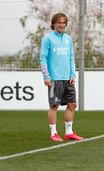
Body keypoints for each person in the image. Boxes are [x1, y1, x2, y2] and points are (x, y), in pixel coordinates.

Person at [40, 13, 84, 142]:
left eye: (64, 23)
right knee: (54, 106)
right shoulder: (47, 39)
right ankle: (54, 133)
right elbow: (43, 58)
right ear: (54, 24)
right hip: (54, 78)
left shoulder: (68, 39)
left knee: (72, 104)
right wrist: (46, 76)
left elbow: (71, 57)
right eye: (59, 22)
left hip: (68, 78)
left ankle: (69, 132)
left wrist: (72, 74)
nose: (62, 25)